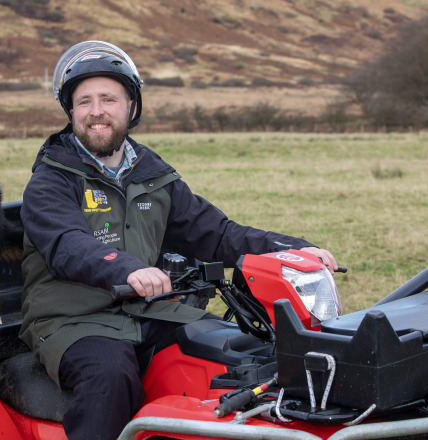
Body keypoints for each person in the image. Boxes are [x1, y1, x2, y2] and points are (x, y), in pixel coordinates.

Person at [18, 41, 338, 440]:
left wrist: (290, 248)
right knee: (108, 379)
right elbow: (67, 245)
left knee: (235, 350)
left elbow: (218, 234)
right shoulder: (50, 179)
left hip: (148, 310)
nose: (96, 111)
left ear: (131, 107)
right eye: (84, 102)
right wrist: (129, 268)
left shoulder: (153, 176)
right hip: (73, 319)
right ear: (71, 112)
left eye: (108, 99)